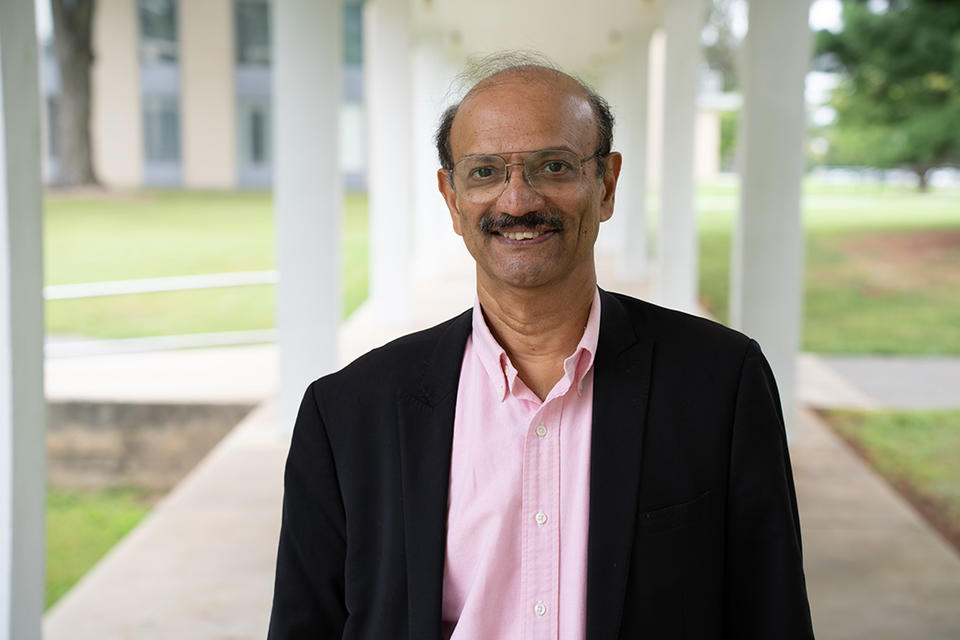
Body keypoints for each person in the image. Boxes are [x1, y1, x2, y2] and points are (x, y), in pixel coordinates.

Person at [268, 55, 814, 640]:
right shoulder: (348, 410)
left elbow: (771, 615)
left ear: (605, 186)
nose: (518, 201)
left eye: (553, 166)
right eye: (484, 173)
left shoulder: (720, 382)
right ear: (451, 199)